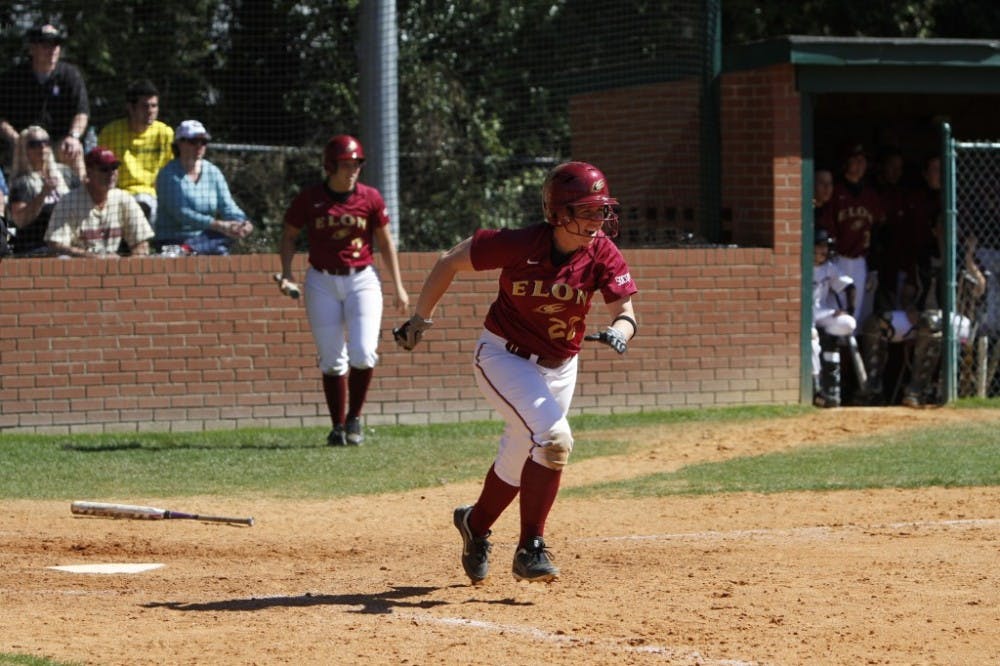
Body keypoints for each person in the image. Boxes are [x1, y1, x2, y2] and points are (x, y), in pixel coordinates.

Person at [394, 161, 638, 583]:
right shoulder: (520, 243)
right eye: (588, 210)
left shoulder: (602, 252)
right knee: (554, 439)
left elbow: (626, 311)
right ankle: (531, 546)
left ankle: (475, 524)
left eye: (602, 210)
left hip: (561, 365)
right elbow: (449, 261)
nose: (599, 219)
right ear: (559, 214)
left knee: (523, 452)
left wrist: (620, 331)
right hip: (503, 357)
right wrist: (420, 320)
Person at [279, 134, 409, 446]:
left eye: (356, 164)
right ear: (329, 165)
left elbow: (386, 241)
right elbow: (288, 235)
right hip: (321, 280)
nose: (352, 169)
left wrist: (399, 286)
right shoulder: (310, 199)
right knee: (332, 358)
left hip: (361, 278)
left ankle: (354, 419)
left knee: (364, 353)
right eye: (345, 164)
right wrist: (286, 273)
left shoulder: (370, 197)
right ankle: (337, 426)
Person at [0, 24, 89, 178]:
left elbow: (81, 113)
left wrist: (73, 136)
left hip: (58, 144)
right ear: (32, 48)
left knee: (75, 149)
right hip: (25, 145)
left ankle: (84, 198)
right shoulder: (13, 78)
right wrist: (18, 140)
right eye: (46, 44)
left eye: (56, 44)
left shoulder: (70, 75)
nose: (53, 49)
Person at [154, 120, 253, 254]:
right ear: (179, 143)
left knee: (229, 233)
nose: (199, 146)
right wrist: (218, 225)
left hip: (204, 237)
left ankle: (187, 250)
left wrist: (242, 222)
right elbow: (182, 214)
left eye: (204, 142)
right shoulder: (167, 174)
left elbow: (227, 205)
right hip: (173, 238)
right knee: (220, 245)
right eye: (193, 141)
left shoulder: (213, 171)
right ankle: (188, 249)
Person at [819, 142, 885, 325]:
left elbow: (878, 229)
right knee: (836, 310)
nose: (860, 164)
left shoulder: (870, 194)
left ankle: (850, 351)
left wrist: (874, 266)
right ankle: (835, 350)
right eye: (855, 160)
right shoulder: (836, 191)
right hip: (838, 258)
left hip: (860, 260)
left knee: (857, 312)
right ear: (846, 163)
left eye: (863, 160)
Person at [45, 147, 153, 257]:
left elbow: (141, 243)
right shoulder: (69, 202)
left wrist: (128, 268)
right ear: (89, 172)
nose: (111, 173)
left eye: (114, 167)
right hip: (77, 268)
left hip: (114, 268)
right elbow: (55, 246)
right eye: (104, 169)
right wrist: (94, 258)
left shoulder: (124, 199)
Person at [97, 79, 174, 227]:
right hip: (117, 194)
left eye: (154, 106)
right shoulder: (111, 132)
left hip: (153, 196)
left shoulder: (165, 133)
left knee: (143, 205)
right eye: (145, 106)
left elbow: (169, 172)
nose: (151, 111)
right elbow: (100, 171)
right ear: (130, 108)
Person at [7, 126, 79, 256]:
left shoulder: (65, 173)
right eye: (34, 144)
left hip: (69, 245)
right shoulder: (22, 183)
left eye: (46, 142)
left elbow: (82, 202)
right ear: (24, 150)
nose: (42, 147)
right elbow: (20, 220)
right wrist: (42, 194)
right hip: (36, 249)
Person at [811, 228, 860, 408]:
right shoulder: (801, 264)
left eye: (825, 247)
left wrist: (848, 309)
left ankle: (833, 390)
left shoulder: (829, 267)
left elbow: (849, 286)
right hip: (804, 316)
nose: (823, 251)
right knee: (812, 343)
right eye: (819, 247)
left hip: (822, 312)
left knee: (848, 323)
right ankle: (816, 390)